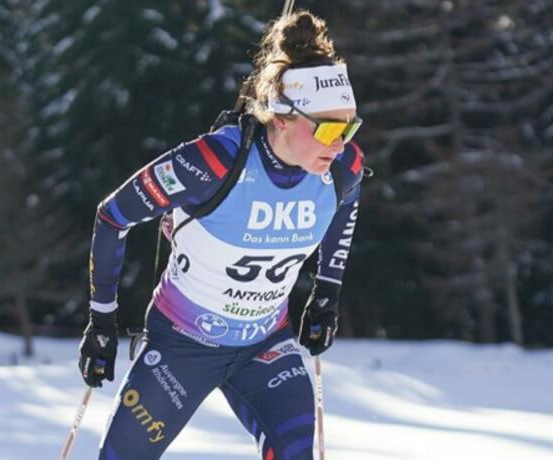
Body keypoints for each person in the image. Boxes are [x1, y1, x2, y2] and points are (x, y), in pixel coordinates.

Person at [79, 11, 364, 459]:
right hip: (180, 348)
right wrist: (102, 320)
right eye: (329, 128)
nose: (340, 143)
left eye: (349, 127)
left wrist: (326, 292)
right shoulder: (214, 162)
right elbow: (113, 216)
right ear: (283, 118)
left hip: (265, 347)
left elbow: (347, 206)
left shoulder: (342, 169)